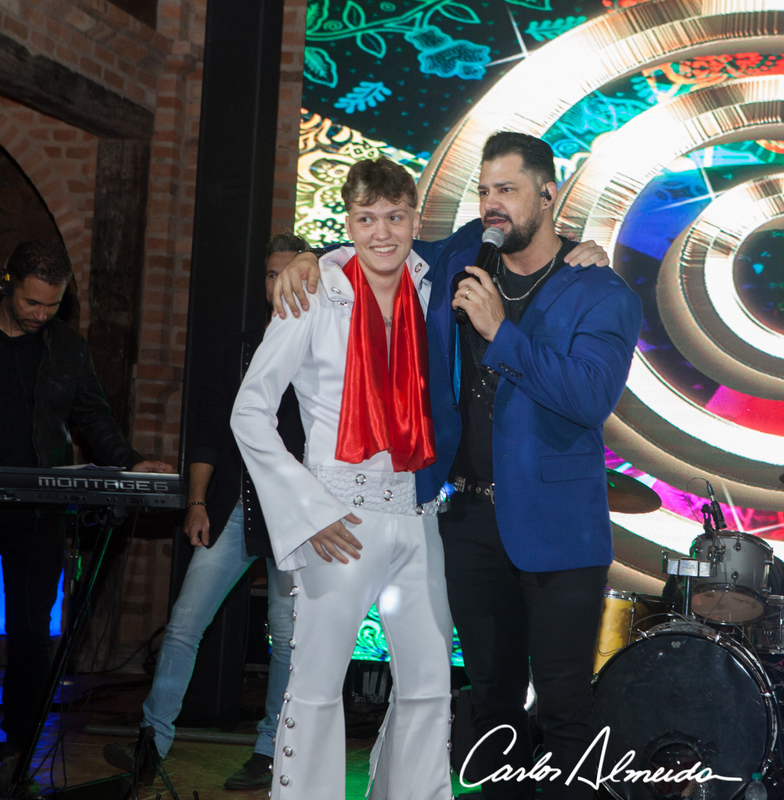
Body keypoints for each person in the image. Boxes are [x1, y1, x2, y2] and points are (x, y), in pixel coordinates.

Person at [273, 132, 639, 799]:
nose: (493, 203)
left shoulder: (600, 291)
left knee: (564, 707)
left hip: (559, 525)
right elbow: (386, 247)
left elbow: (590, 398)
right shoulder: (466, 253)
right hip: (467, 520)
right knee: (492, 704)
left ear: (549, 194)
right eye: (485, 189)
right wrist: (308, 257)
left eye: (509, 189)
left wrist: (501, 332)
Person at [233, 159, 458, 799]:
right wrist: (309, 511)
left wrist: (580, 249)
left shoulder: (429, 285)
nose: (382, 233)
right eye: (366, 219)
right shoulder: (314, 291)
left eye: (395, 217)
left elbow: (498, 236)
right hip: (340, 519)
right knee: (316, 686)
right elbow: (249, 411)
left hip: (417, 511)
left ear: (415, 218)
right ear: (349, 222)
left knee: (430, 686)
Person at [101, 234, 307, 790]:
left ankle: (272, 750)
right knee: (184, 624)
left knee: (287, 638)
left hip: (296, 515)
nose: (278, 283)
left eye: (288, 272)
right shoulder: (238, 349)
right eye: (270, 274)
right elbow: (208, 431)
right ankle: (151, 744)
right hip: (235, 507)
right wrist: (196, 502)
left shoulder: (325, 347)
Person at [0, 241, 172, 784]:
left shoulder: (67, 348)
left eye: (52, 305)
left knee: (32, 630)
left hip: (38, 510)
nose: (40, 315)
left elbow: (93, 416)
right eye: (31, 303)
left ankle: (17, 752)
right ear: (8, 283)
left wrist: (129, 462)